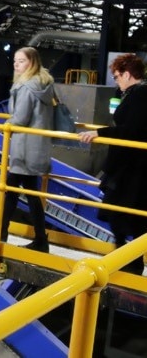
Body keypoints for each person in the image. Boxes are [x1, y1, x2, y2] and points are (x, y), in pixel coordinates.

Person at [79, 53, 147, 275]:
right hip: (130, 166)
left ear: (127, 74)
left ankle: (131, 259)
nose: (116, 80)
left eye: (117, 76)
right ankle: (130, 258)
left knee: (121, 213)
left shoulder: (140, 94)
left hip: (132, 167)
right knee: (127, 214)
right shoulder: (133, 93)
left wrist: (99, 132)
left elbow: (130, 130)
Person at [0, 47, 52, 252]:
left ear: (31, 63)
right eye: (15, 61)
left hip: (25, 148)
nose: (16, 64)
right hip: (34, 146)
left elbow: (20, 118)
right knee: (18, 191)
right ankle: (8, 231)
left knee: (14, 190)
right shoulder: (43, 83)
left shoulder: (28, 87)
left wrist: (5, 125)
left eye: (20, 61)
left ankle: (36, 238)